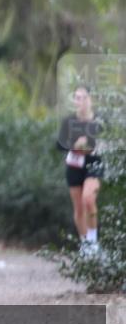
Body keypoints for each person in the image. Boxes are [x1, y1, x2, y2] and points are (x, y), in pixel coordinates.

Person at [56, 85, 104, 256]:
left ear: (91, 99)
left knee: (89, 199)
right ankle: (86, 246)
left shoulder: (100, 121)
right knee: (79, 209)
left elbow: (111, 141)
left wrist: (92, 145)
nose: (80, 101)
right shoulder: (68, 121)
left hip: (94, 165)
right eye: (77, 97)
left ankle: (93, 241)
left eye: (83, 97)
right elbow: (60, 145)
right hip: (74, 166)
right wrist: (74, 145)